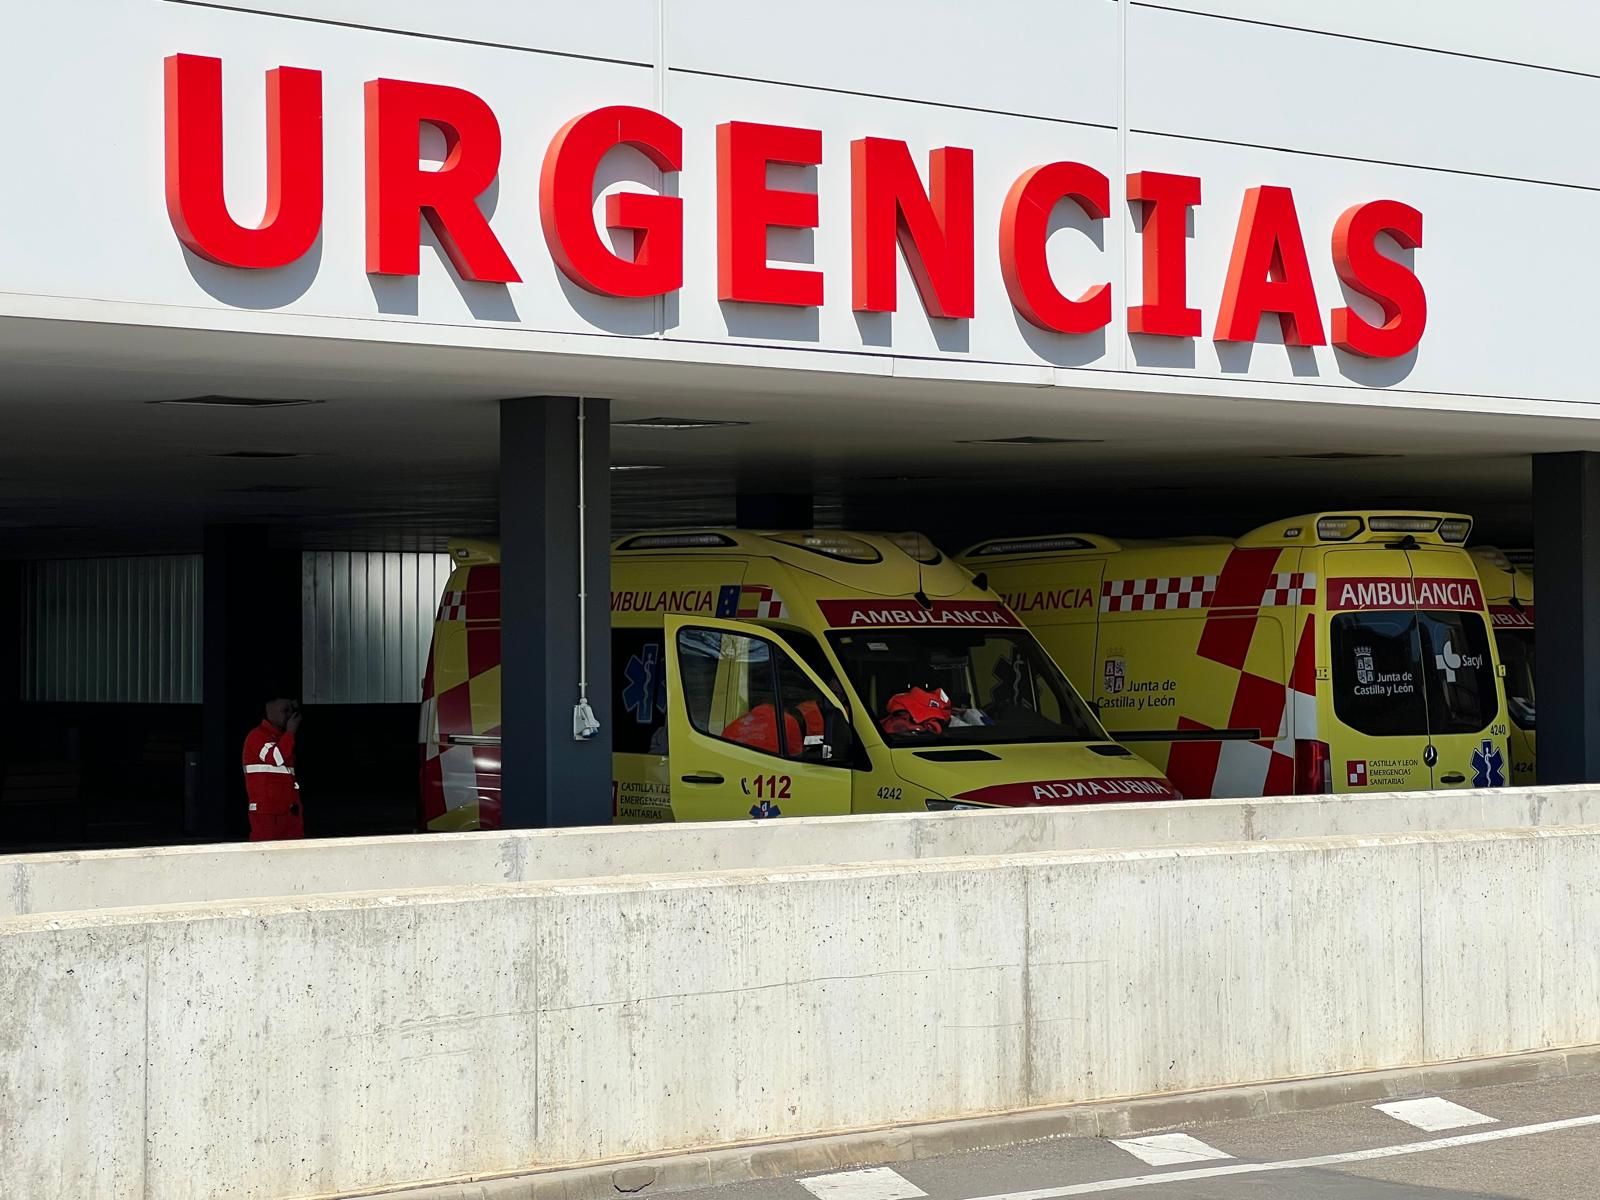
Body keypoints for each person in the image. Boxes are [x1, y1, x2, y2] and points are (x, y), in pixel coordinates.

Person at [242, 696, 304, 840]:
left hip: (287, 811)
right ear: (270, 710)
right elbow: (275, 758)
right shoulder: (257, 736)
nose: (290, 715)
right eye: (285, 710)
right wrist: (290, 733)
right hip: (268, 814)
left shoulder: (282, 739)